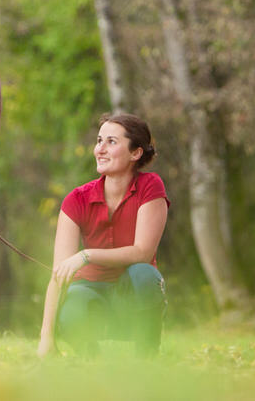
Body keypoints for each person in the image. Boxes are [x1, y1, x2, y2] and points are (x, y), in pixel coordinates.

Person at [37, 113, 169, 357]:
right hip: (88, 293)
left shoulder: (151, 187)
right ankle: (89, 355)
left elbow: (143, 252)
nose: (100, 149)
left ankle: (146, 353)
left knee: (145, 274)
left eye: (111, 142)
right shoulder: (76, 200)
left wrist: (87, 255)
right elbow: (59, 275)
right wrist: (46, 338)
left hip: (130, 294)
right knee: (73, 304)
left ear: (135, 153)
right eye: (99, 141)